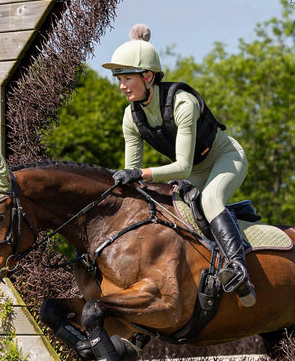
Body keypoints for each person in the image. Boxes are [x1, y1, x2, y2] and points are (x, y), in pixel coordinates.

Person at [102, 24, 256, 306]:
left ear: (148, 76)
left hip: (224, 158)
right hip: (194, 171)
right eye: (118, 79)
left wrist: (141, 173)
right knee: (170, 212)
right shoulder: (131, 116)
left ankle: (238, 269)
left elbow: (182, 168)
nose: (121, 86)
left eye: (126, 78)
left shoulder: (183, 103)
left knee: (210, 199)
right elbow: (133, 174)